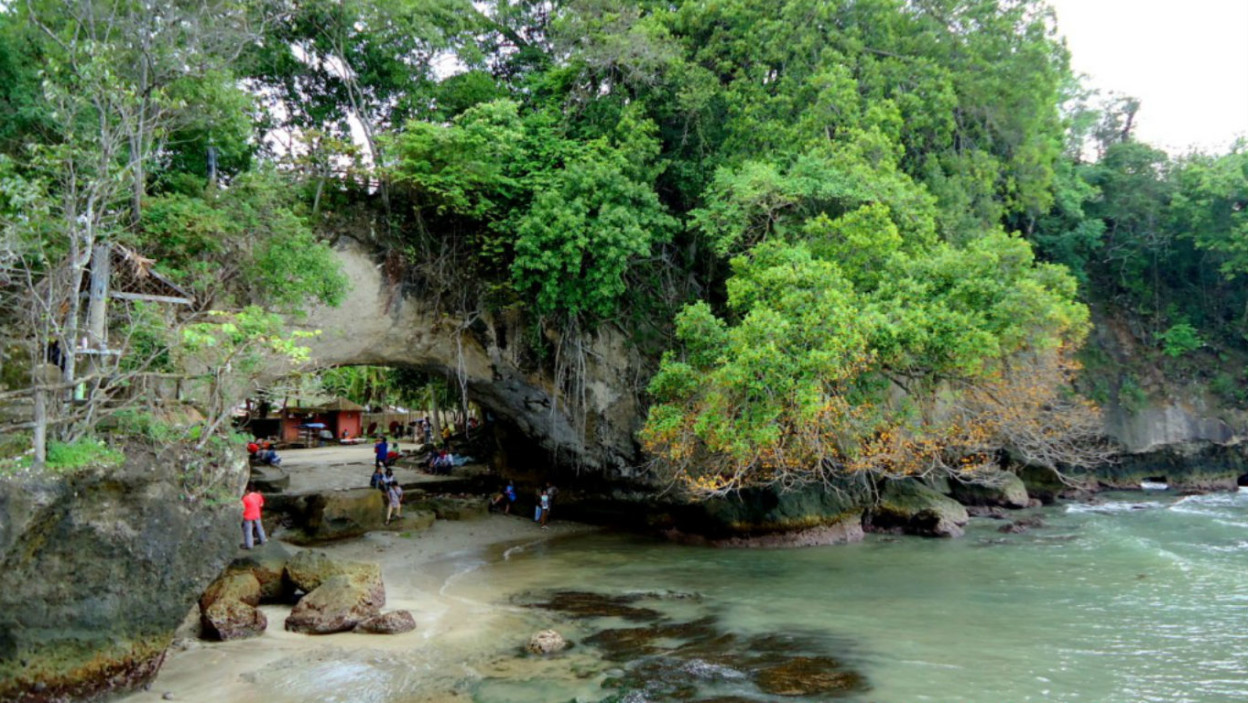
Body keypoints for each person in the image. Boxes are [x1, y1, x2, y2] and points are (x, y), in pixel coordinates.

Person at [241, 483, 266, 549]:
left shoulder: (245, 498)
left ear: (247, 491)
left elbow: (242, 508)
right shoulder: (258, 496)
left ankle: (249, 545)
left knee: (248, 530)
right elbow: (261, 505)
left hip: (248, 516)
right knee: (259, 527)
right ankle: (263, 540)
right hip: (257, 514)